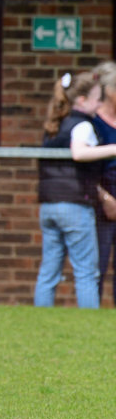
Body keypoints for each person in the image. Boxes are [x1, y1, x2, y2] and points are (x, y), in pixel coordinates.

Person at [35, 71, 115, 309]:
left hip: (48, 204)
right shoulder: (83, 125)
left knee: (49, 270)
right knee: (87, 271)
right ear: (82, 100)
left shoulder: (55, 124)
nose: (100, 104)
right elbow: (79, 153)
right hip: (75, 205)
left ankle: (40, 318)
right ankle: (88, 319)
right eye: (97, 99)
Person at [91, 61, 116, 303]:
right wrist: (105, 198)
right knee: (97, 264)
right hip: (102, 197)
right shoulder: (93, 123)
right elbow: (85, 169)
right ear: (109, 92)